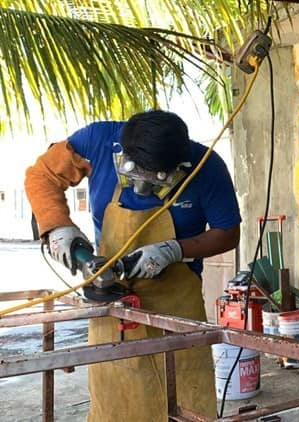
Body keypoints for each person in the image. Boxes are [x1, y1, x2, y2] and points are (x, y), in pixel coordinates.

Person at [25, 110, 241, 421]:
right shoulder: (97, 140)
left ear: (178, 168)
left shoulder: (206, 166)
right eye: (133, 176)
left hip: (176, 306)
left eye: (154, 182)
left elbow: (228, 233)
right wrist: (57, 224)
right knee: (116, 399)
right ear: (122, 151)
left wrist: (174, 249)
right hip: (110, 302)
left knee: (184, 399)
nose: (140, 191)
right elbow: (41, 175)